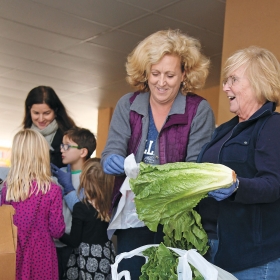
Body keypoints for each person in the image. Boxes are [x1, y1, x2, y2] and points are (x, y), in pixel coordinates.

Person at [101, 29, 215, 279]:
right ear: (145, 72)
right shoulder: (127, 105)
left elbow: (196, 168)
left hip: (176, 221)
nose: (161, 82)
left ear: (184, 74)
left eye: (170, 75)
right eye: (155, 73)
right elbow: (113, 148)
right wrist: (110, 159)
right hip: (132, 216)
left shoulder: (198, 110)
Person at [197, 46, 280, 279]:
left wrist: (236, 187)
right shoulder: (225, 130)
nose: (225, 87)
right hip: (211, 251)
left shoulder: (272, 126)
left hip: (252, 259)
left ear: (259, 82)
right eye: (225, 80)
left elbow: (273, 184)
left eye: (233, 79)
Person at [0, 129, 65, 280]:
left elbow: (4, 229)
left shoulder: (7, 190)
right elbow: (57, 231)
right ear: (42, 155)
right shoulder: (52, 190)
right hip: (42, 257)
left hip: (13, 255)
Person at [51, 126, 97, 279]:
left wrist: (68, 188)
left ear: (83, 152)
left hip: (77, 244)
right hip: (55, 240)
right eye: (61, 145)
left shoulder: (91, 177)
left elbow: (84, 213)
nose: (61, 150)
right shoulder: (60, 173)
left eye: (67, 146)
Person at [59, 158, 116, 279]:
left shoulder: (81, 208)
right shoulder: (109, 206)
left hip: (85, 260)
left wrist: (58, 233)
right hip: (105, 256)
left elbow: (74, 241)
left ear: (84, 180)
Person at [23, 85, 76, 168]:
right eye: (36, 113)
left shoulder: (69, 136)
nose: (41, 119)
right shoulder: (24, 137)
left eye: (46, 113)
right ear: (29, 110)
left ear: (56, 111)